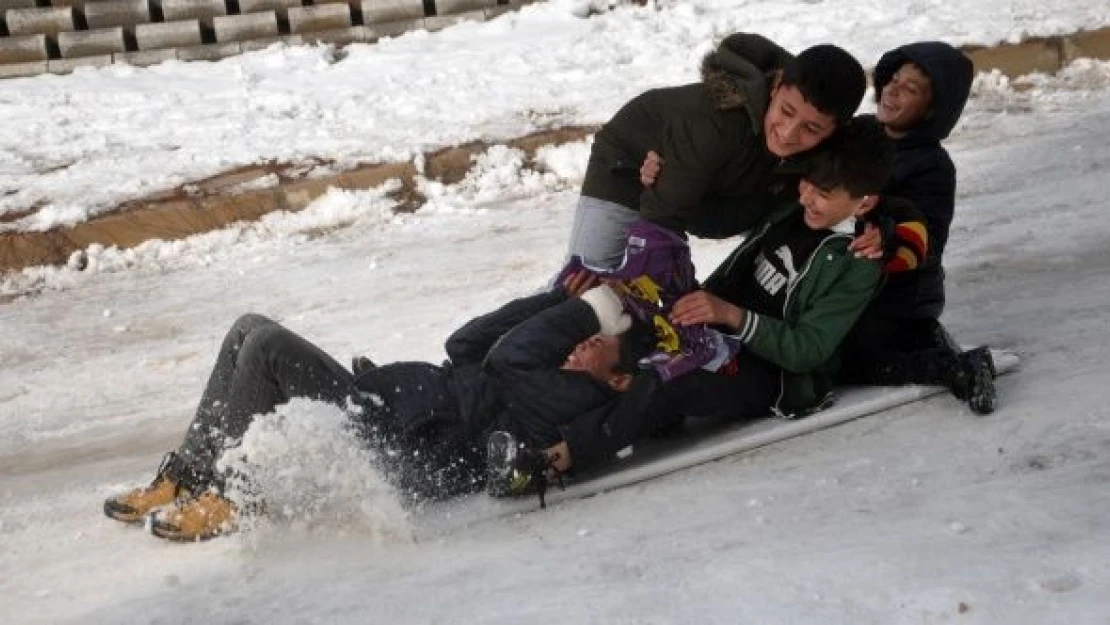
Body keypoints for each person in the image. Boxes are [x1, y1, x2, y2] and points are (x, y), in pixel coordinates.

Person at [488, 118, 918, 497]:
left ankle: (551, 461)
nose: (807, 195)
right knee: (617, 327)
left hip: (766, 371)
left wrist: (731, 316)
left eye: (823, 192)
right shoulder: (794, 207)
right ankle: (503, 412)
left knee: (667, 379)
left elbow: (808, 350)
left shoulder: (858, 263)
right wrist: (663, 179)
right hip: (711, 326)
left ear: (864, 203)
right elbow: (717, 211)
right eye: (807, 181)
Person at [103, 285, 654, 541]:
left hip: (402, 448)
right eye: (584, 335)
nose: (581, 343)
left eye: (597, 340)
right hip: (389, 413)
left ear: (620, 377)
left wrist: (589, 307)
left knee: (267, 345)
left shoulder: (576, 398)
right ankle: (189, 475)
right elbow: (465, 342)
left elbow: (511, 352)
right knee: (249, 324)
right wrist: (553, 296)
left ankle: (232, 495)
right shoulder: (540, 375)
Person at [564, 33, 873, 272]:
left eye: (812, 128)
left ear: (835, 129)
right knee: (588, 281)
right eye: (786, 111)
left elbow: (869, 189)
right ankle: (523, 338)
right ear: (776, 85)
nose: (789, 133)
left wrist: (883, 228)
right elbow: (662, 224)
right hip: (632, 161)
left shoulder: (828, 151)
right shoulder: (715, 120)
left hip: (690, 190)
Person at [835, 41, 998, 414]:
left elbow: (930, 239)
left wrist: (890, 237)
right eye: (893, 79)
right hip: (854, 281)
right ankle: (920, 336)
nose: (892, 89)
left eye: (910, 89)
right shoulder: (861, 132)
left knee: (838, 360)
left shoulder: (933, 167)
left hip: (904, 291)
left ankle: (954, 368)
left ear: (932, 110)